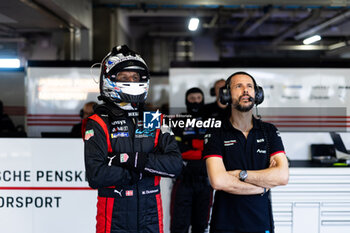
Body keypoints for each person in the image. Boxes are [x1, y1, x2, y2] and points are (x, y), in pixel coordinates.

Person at [84, 45, 183, 233]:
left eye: (135, 77)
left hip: (151, 212)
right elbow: (96, 175)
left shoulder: (153, 117)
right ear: (109, 79)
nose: (131, 81)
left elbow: (175, 165)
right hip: (114, 214)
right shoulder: (98, 122)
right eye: (124, 77)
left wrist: (135, 161)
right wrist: (138, 172)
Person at [203, 71, 289, 233]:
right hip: (225, 224)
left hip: (261, 222)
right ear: (226, 94)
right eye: (238, 86)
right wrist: (262, 187)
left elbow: (282, 177)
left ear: (257, 94)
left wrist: (239, 174)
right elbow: (218, 181)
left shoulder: (269, 131)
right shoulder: (215, 132)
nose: (245, 90)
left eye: (250, 86)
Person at [170, 88, 213, 233]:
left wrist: (191, 145)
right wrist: (200, 148)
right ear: (186, 100)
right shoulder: (178, 120)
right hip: (184, 180)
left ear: (203, 100)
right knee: (179, 225)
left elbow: (213, 148)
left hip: (205, 181)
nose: (195, 101)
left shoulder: (211, 121)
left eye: (198, 98)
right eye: (192, 98)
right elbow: (178, 149)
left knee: (201, 226)